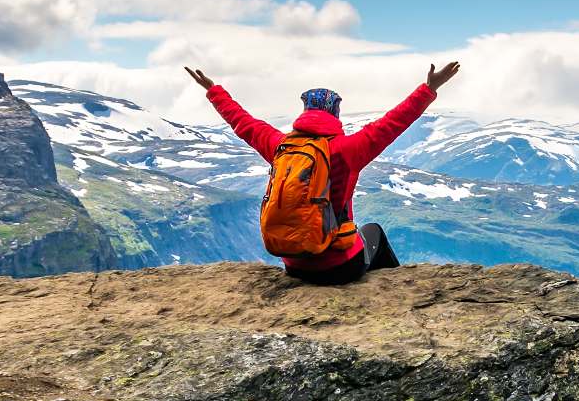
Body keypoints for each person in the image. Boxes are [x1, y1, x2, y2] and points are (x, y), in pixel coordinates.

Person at [183, 61, 462, 285]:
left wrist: (214, 91)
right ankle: (396, 290)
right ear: (335, 113)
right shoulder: (349, 148)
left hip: (294, 266)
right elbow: (394, 122)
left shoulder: (280, 145)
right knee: (373, 231)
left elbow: (242, 122)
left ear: (305, 111)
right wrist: (429, 88)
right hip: (339, 267)